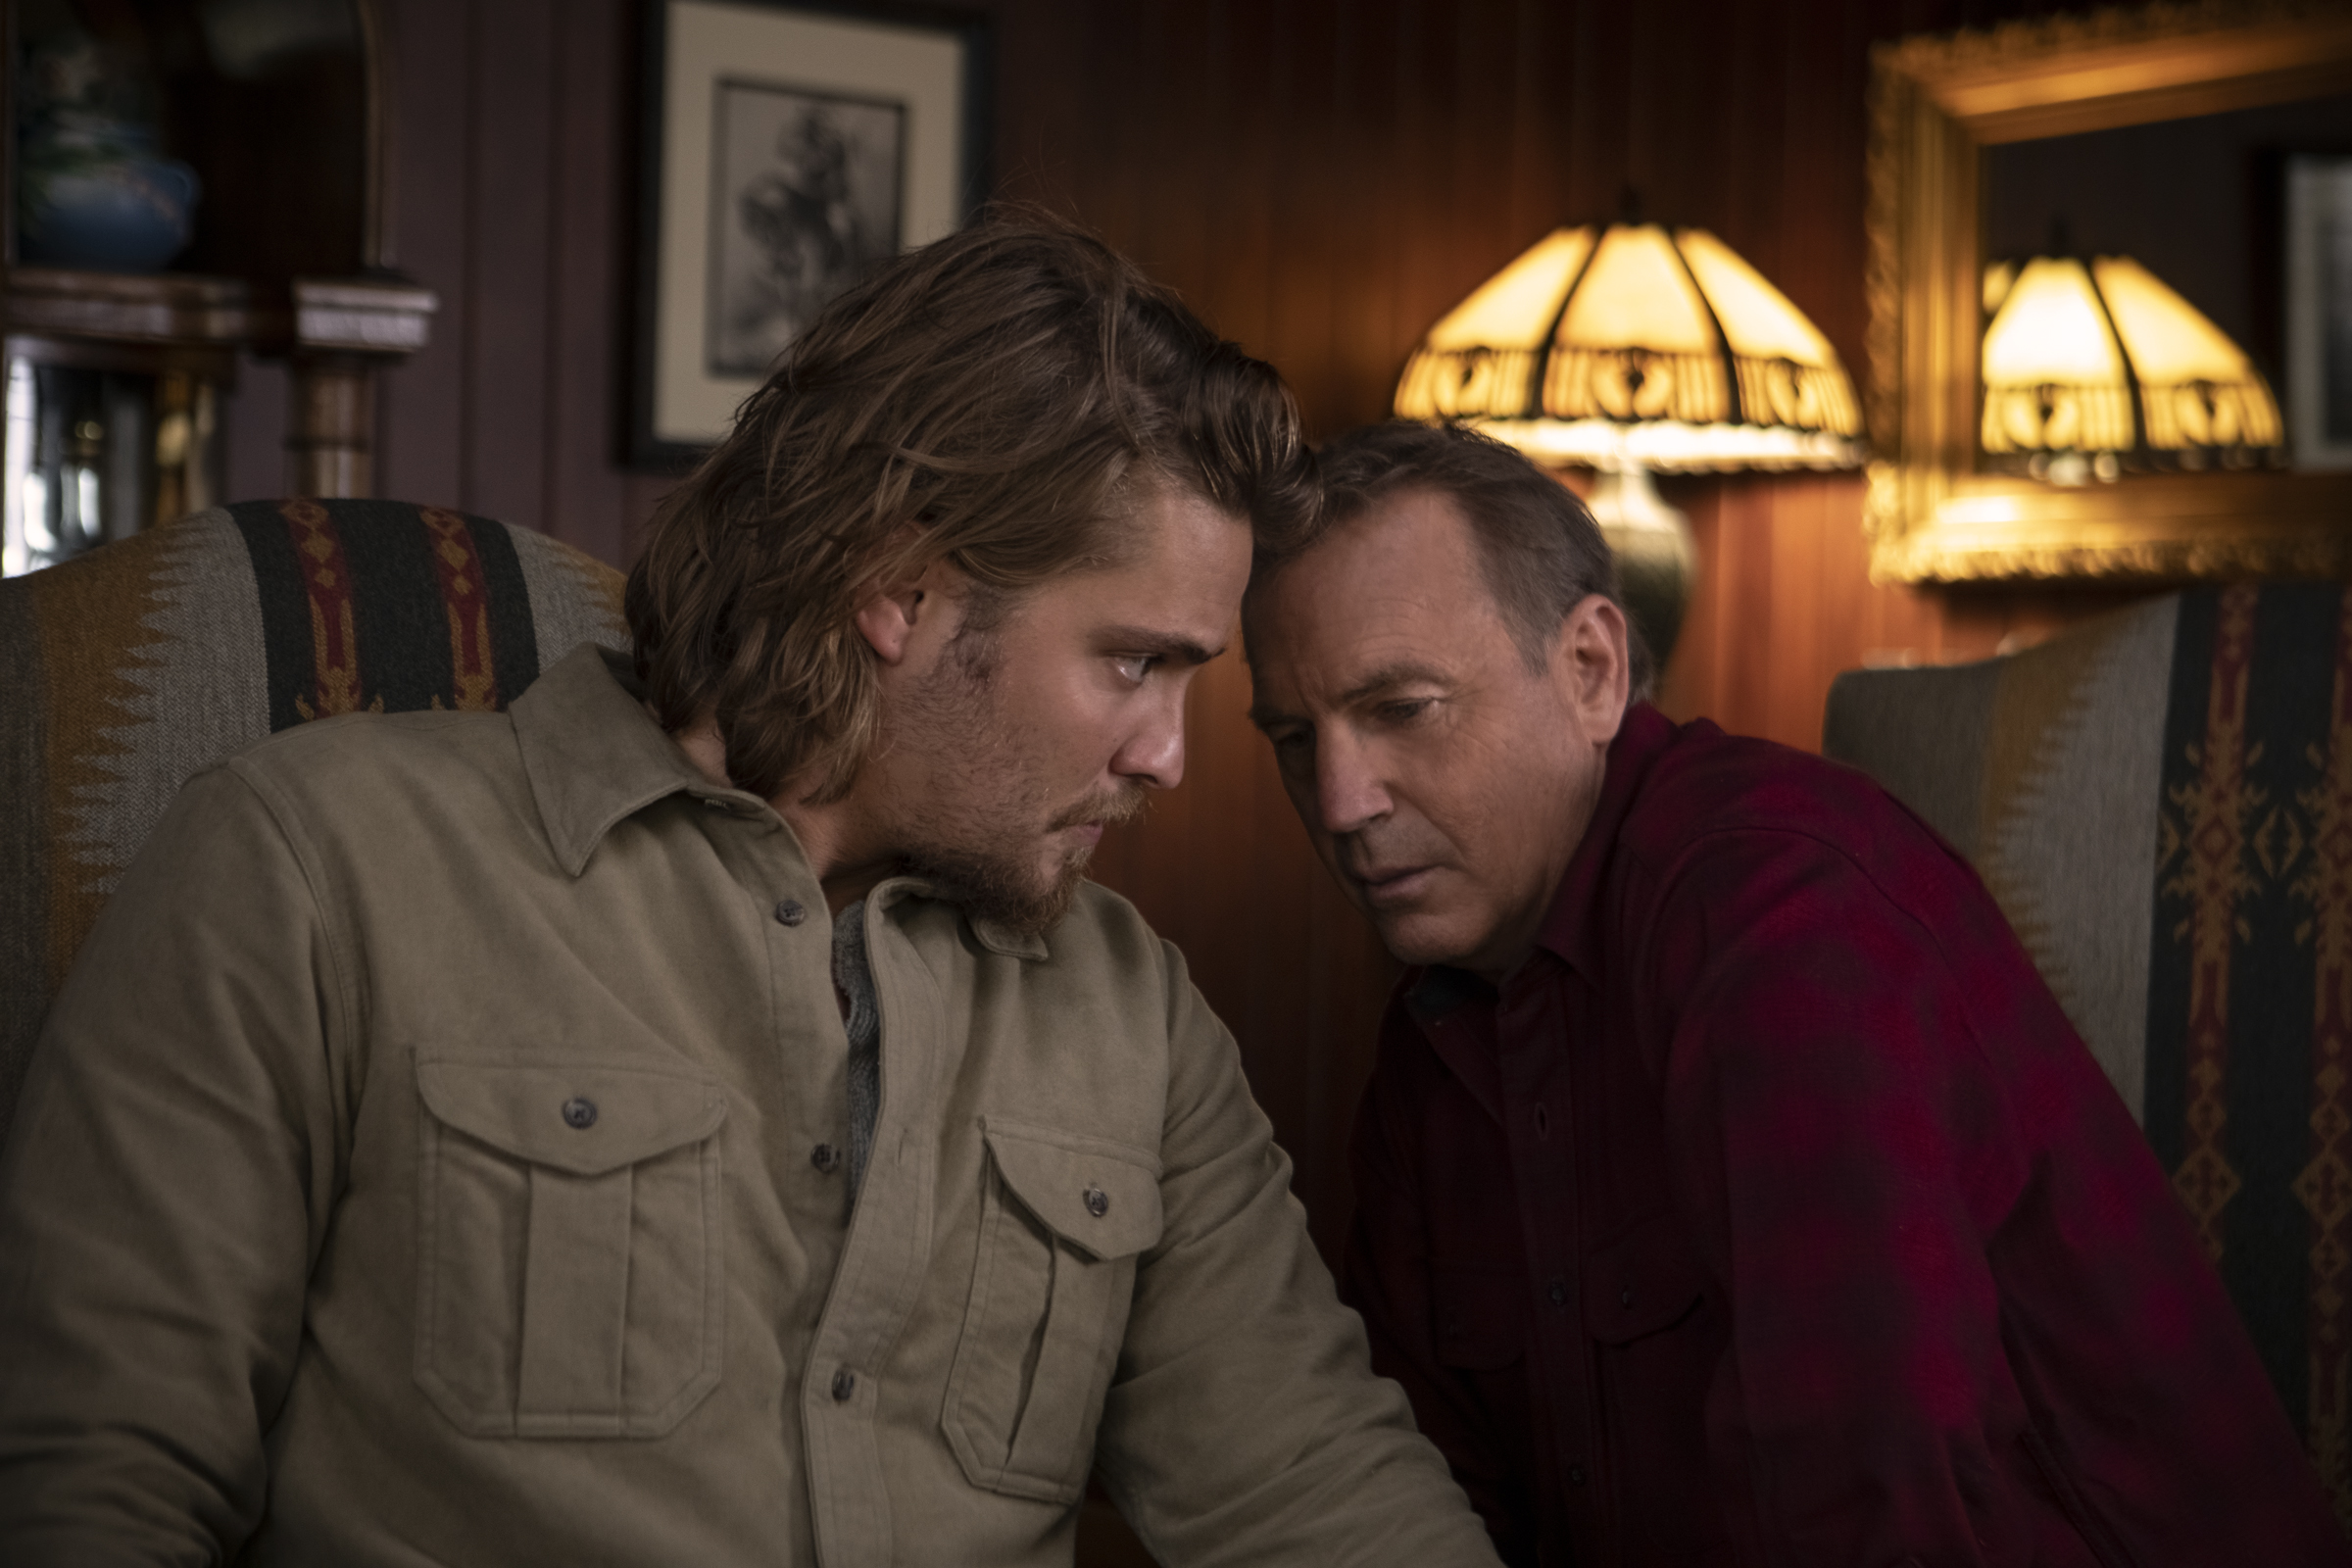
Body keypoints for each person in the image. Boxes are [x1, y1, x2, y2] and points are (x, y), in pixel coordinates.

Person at [0, 220, 1499, 1566]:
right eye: (1132, 661)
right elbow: (88, 1482)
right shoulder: (324, 869)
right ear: (902, 592)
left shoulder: (1129, 1010)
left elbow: (1316, 1492)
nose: (1169, 757)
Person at [1241, 419, 2349, 1567]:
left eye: (1400, 708)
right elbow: (1425, 1501)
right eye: (1292, 737)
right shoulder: (1430, 1047)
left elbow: (1871, 1504)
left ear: (1590, 671)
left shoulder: (1774, 914)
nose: (1339, 800)